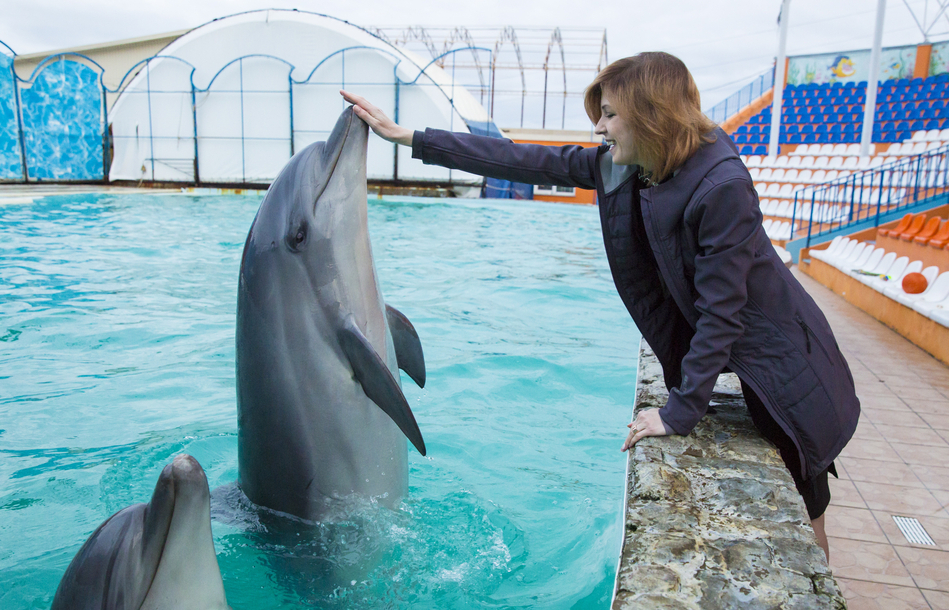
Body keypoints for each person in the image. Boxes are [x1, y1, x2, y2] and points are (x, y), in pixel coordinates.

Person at [340, 52, 859, 560]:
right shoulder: (628, 166)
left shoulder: (722, 185)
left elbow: (724, 312)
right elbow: (521, 159)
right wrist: (409, 136)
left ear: (651, 115)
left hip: (786, 363)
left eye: (609, 114)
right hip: (750, 352)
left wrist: (679, 413)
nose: (599, 127)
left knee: (805, 500)